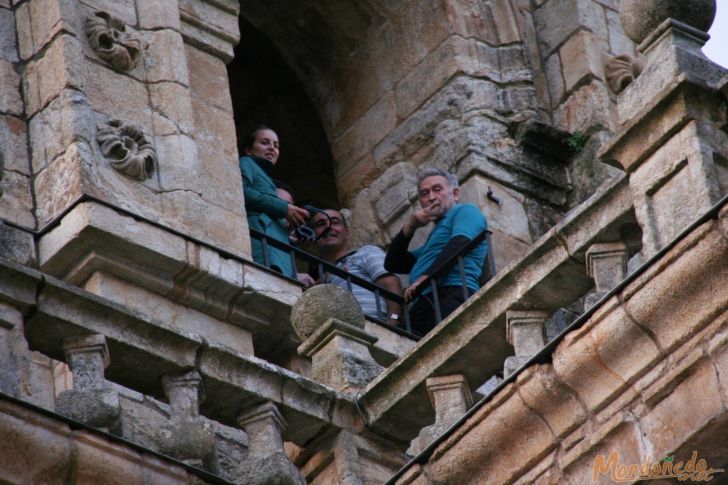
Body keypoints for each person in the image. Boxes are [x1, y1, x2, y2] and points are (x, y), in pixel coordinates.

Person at [384, 168, 487, 336]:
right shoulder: (434, 239)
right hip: (425, 301)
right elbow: (394, 263)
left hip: (451, 292)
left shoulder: (465, 211)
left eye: (437, 189)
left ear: (455, 193)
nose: (431, 197)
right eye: (424, 193)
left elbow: (460, 243)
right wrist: (411, 225)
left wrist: (425, 278)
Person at [310, 209, 403, 324]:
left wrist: (393, 320)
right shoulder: (320, 281)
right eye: (321, 224)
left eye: (335, 222)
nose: (328, 227)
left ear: (347, 233)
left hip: (376, 325)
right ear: (313, 236)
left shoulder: (365, 253)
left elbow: (391, 284)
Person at [239, 126, 309, 278]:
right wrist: (284, 208)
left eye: (276, 145)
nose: (272, 148)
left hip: (277, 246)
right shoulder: (247, 162)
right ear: (249, 150)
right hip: (263, 239)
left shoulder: (266, 178)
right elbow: (241, 191)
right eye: (265, 142)